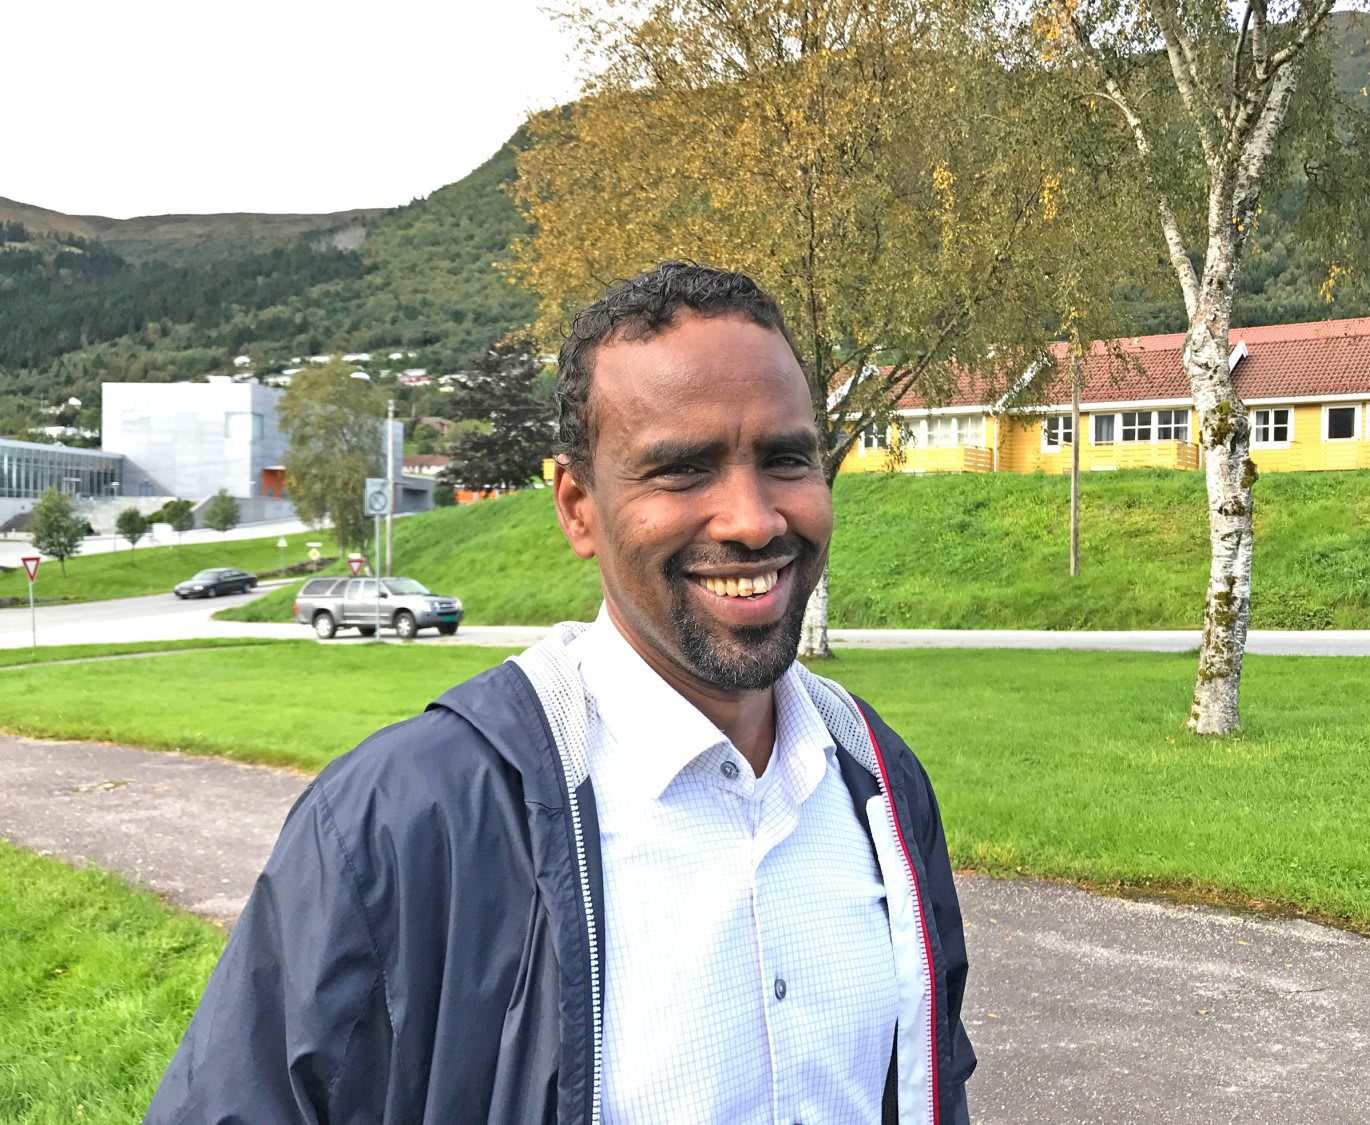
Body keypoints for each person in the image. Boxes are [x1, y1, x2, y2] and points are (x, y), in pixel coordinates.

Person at [147, 262, 975, 1124]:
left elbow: (929, 1079)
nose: (753, 518)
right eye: (682, 469)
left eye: (787, 459)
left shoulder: (879, 782)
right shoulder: (395, 825)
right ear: (578, 507)